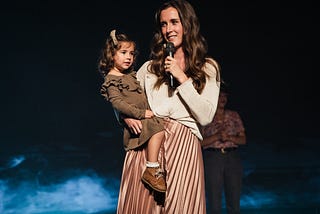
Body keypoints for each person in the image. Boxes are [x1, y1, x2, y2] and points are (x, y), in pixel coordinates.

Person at [116, 0, 221, 213]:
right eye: (163, 24)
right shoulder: (149, 68)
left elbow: (206, 116)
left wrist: (182, 77)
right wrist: (124, 116)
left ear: (188, 24)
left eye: (174, 22)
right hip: (148, 146)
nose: (168, 30)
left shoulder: (207, 67)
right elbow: (121, 96)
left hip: (184, 146)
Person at [98, 29, 166, 193]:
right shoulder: (111, 80)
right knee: (159, 130)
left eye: (131, 53)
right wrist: (141, 114)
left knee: (161, 130)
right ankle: (151, 169)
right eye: (123, 52)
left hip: (144, 119)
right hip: (138, 124)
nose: (129, 57)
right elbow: (118, 104)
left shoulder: (130, 75)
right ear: (111, 55)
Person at [201, 90, 246, 214]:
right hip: (213, 157)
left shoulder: (233, 115)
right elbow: (199, 143)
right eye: (220, 95)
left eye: (225, 96)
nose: (223, 98)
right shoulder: (206, 117)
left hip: (232, 156)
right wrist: (216, 137)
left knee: (234, 196)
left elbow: (243, 140)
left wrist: (230, 138)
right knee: (214, 197)